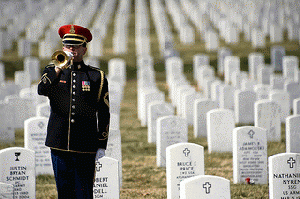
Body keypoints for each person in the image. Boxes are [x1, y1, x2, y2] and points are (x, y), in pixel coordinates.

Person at [38, 24, 110, 199]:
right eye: (68, 46)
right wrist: (58, 68)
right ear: (63, 47)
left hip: (85, 144)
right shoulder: (52, 72)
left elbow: (104, 111)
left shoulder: (96, 76)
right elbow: (42, 89)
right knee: (64, 192)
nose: (72, 50)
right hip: (59, 142)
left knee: (84, 192)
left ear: (84, 49)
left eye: (76, 46)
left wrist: (101, 143)